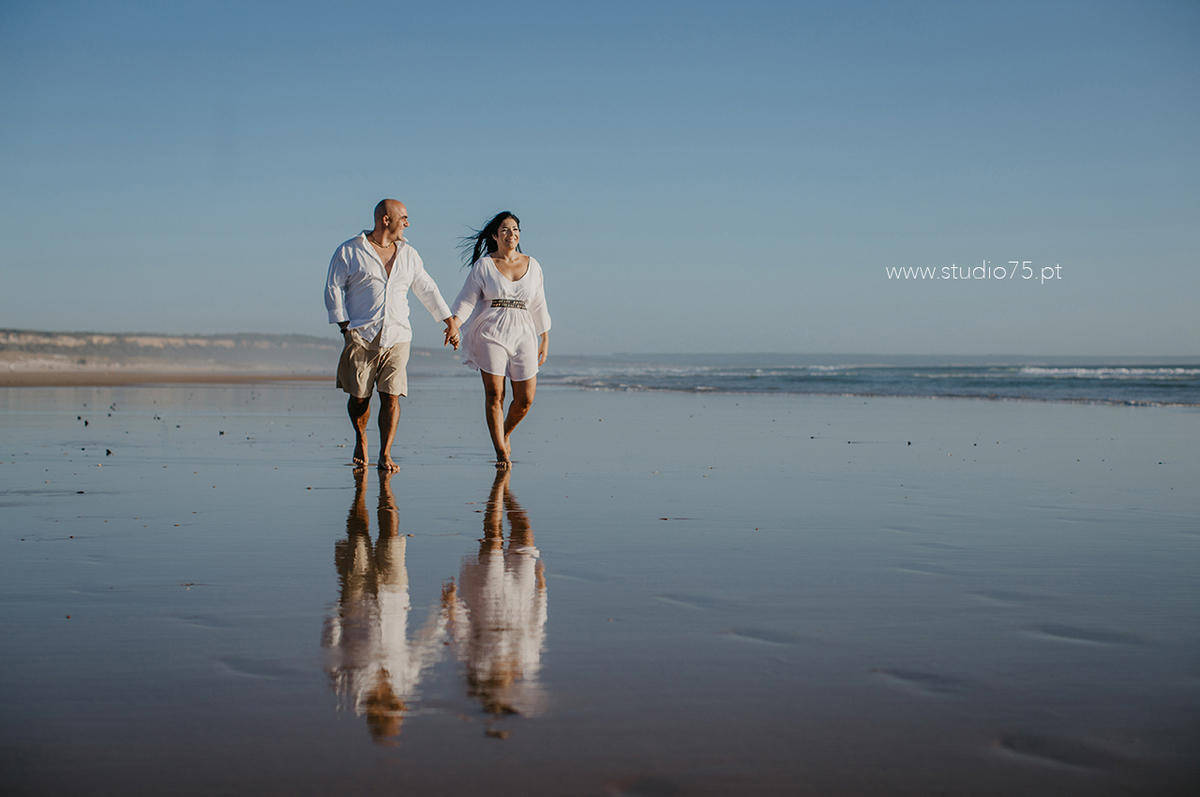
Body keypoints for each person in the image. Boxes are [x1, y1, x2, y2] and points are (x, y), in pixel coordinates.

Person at [324, 199, 459, 471]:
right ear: (386, 220)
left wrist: (449, 321)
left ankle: (385, 453)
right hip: (361, 334)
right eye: (404, 217)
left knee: (391, 395)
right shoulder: (350, 250)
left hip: (398, 335)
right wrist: (343, 325)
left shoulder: (410, 255)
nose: (408, 223)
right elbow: (332, 287)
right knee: (360, 397)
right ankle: (361, 437)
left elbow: (427, 288)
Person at [447, 212, 550, 468]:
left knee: (525, 398)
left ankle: (504, 433)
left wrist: (544, 337)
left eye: (515, 229)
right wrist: (454, 325)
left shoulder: (533, 265)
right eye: (505, 229)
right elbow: (467, 300)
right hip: (491, 331)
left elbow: (538, 303)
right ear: (495, 235)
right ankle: (501, 452)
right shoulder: (484, 265)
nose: (511, 234)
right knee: (496, 395)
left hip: (524, 331)